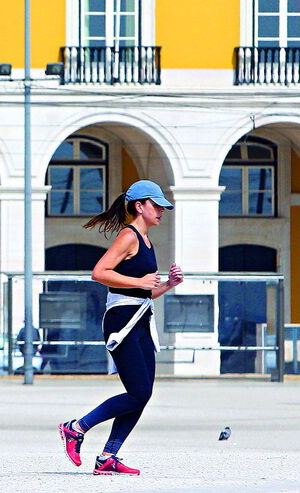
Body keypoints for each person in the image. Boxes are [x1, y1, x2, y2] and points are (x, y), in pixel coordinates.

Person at [57, 180, 183, 476]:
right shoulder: (129, 236)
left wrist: (168, 284)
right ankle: (75, 428)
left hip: (140, 318)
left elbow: (144, 292)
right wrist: (140, 281)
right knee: (138, 393)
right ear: (140, 206)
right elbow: (99, 272)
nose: (162, 211)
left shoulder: (148, 241)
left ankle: (108, 457)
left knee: (143, 392)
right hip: (122, 321)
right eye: (157, 205)